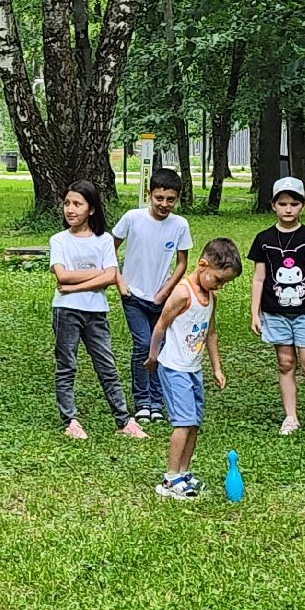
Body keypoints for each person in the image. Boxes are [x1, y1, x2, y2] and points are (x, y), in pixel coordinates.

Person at [51, 180, 149, 441]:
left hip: (96, 312)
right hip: (65, 312)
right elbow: (62, 273)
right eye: (67, 204)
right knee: (66, 366)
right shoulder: (58, 240)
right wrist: (101, 273)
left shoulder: (104, 240)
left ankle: (123, 420)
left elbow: (109, 278)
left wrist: (73, 286)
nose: (70, 210)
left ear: (91, 209)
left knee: (107, 366)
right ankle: (69, 419)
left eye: (77, 204)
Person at [144, 238, 239, 498]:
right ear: (202, 265)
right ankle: (170, 478)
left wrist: (217, 368)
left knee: (194, 423)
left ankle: (184, 472)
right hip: (174, 367)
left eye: (225, 282)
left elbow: (211, 333)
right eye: (218, 279)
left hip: (193, 369)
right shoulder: (182, 293)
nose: (220, 286)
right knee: (183, 423)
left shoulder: (210, 298)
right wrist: (153, 357)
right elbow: (161, 325)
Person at [248, 176, 305, 440]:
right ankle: (291, 416)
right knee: (286, 363)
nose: (288, 209)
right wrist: (255, 312)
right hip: (275, 312)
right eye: (283, 203)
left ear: (302, 206)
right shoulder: (263, 239)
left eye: (294, 204)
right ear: (273, 205)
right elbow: (259, 278)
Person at [111, 168, 193, 424]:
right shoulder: (132, 218)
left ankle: (157, 401)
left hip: (162, 299)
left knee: (161, 348)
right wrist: (120, 282)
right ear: (149, 194)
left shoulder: (180, 225)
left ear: (177, 199)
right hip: (133, 296)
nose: (164, 204)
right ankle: (142, 401)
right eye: (159, 198)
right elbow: (109, 249)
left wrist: (167, 290)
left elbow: (182, 262)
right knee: (142, 345)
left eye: (170, 199)